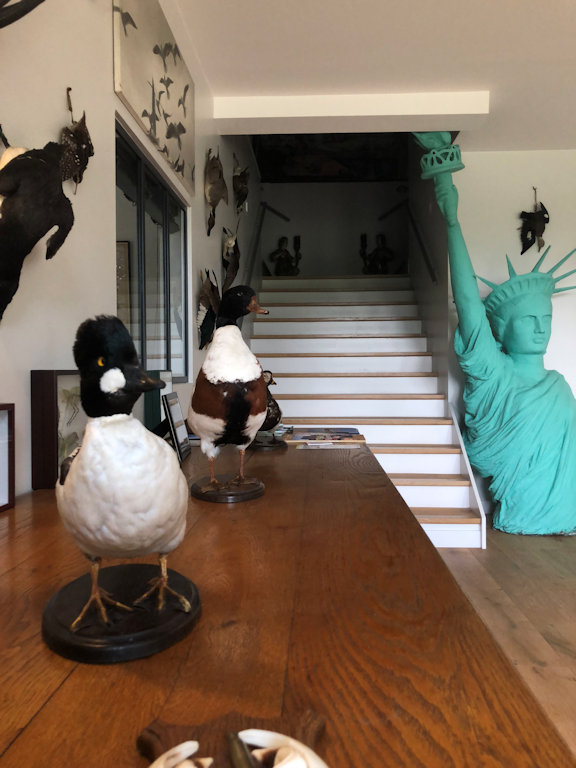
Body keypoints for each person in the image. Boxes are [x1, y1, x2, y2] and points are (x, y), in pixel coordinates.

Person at [433, 173, 576, 535]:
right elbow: (468, 304)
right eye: (529, 319)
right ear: (503, 329)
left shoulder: (558, 386)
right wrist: (452, 222)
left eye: (546, 318)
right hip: (520, 512)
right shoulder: (495, 373)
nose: (541, 328)